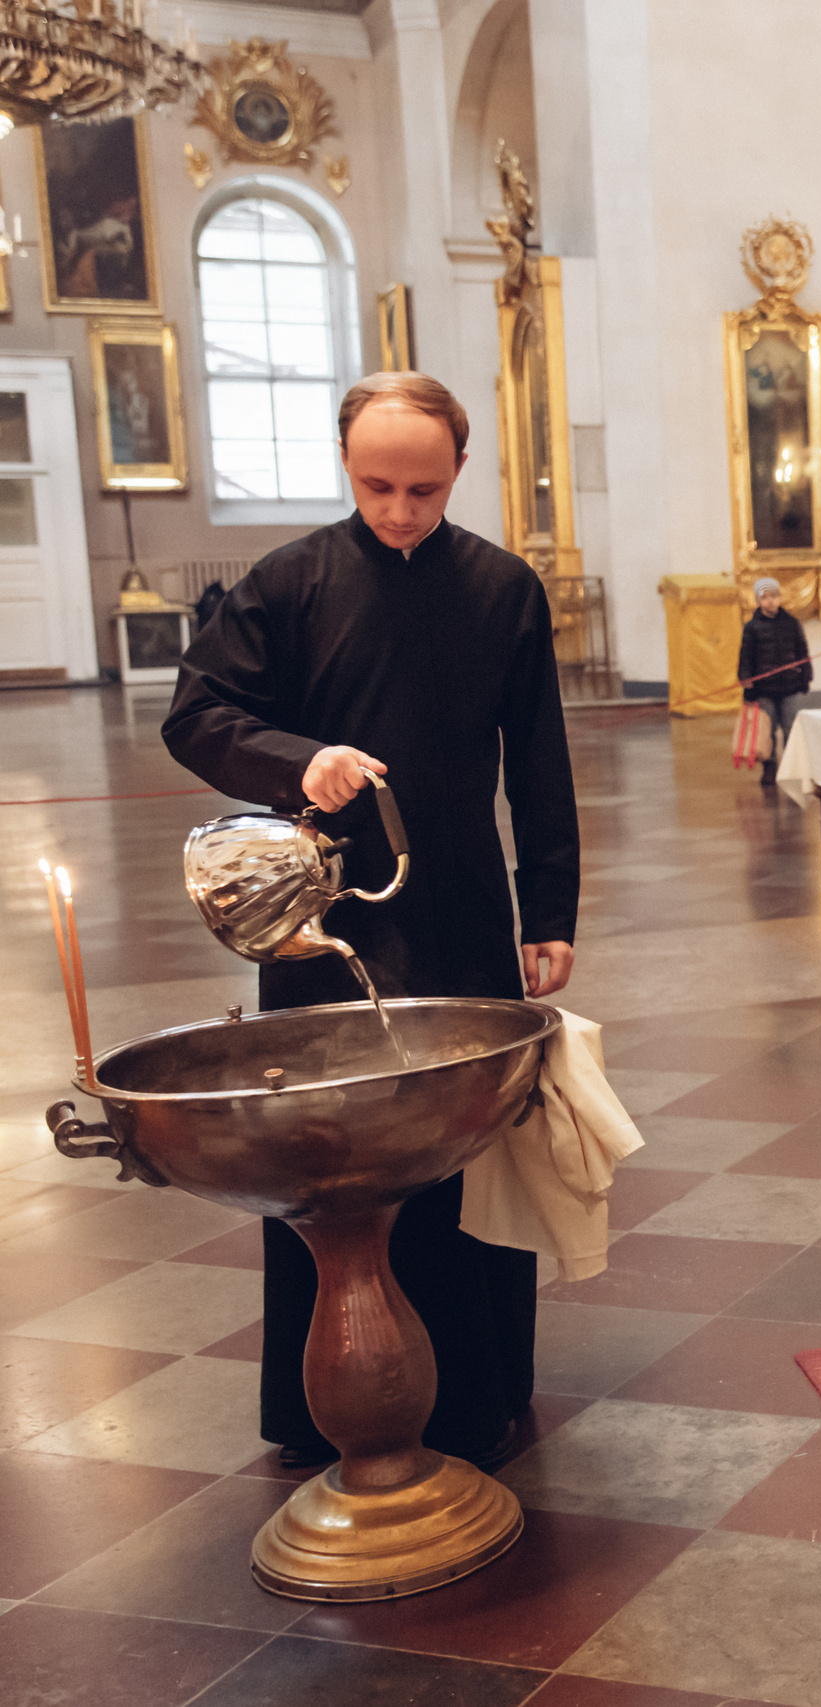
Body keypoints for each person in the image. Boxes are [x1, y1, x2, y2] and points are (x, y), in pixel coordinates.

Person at [162, 371, 579, 1469]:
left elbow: (538, 765)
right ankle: (321, 1403)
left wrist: (553, 909)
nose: (400, 510)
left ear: (460, 470)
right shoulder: (290, 583)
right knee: (325, 1149)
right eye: (377, 485)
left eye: (425, 489)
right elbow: (197, 713)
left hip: (465, 909)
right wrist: (302, 761)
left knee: (466, 1141)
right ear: (345, 466)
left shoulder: (503, 588)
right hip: (325, 919)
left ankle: (475, 1390)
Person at [737, 575, 812, 787]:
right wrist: (747, 682)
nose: (770, 601)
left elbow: (802, 652)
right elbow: (745, 657)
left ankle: (790, 766)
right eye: (765, 597)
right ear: (758, 601)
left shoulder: (791, 623)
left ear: (779, 598)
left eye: (773, 596)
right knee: (766, 731)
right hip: (765, 689)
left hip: (789, 686)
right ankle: (769, 767)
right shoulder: (751, 628)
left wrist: (805, 676)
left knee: (790, 727)